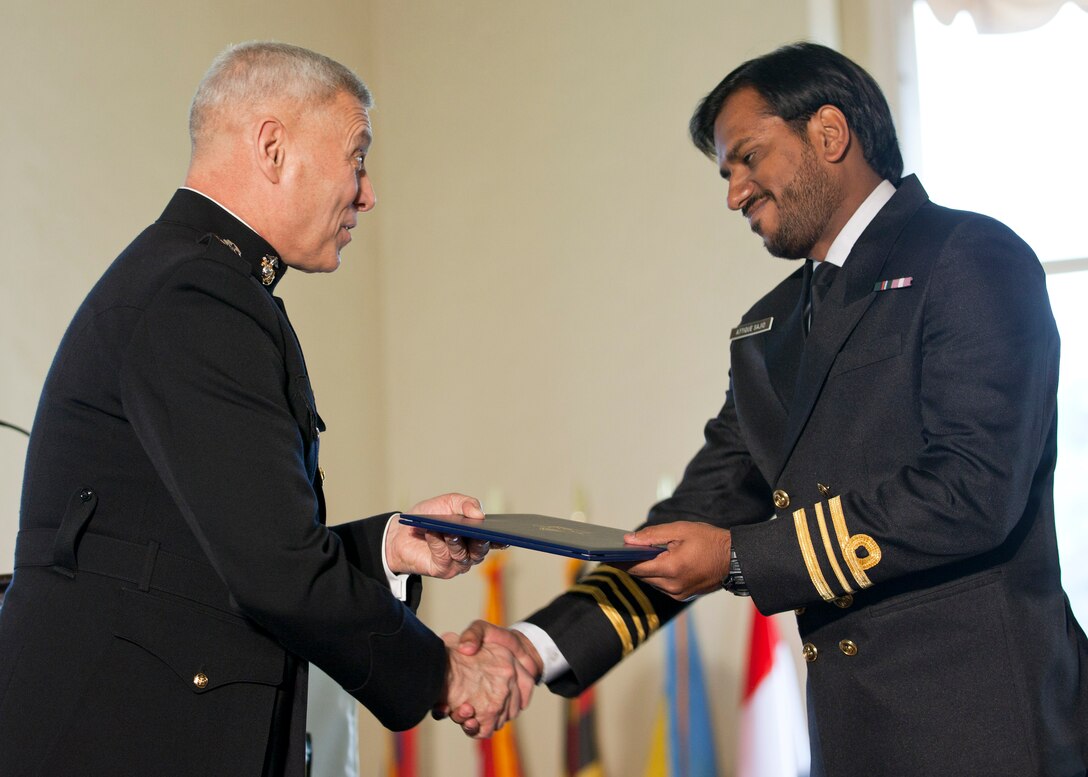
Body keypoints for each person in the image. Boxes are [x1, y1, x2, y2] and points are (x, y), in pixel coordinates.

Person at [456, 43, 1088, 775]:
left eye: (748, 158)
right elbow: (697, 516)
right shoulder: (769, 329)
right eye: (726, 173)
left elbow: (973, 490)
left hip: (992, 733)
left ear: (829, 132)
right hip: (853, 742)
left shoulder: (969, 255)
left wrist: (738, 557)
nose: (735, 194)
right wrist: (534, 647)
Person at [0, 41, 533, 777]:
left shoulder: (193, 280)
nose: (367, 193)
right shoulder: (199, 295)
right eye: (357, 158)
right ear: (274, 149)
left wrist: (388, 546)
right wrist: (442, 673)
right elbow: (273, 570)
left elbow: (205, 556)